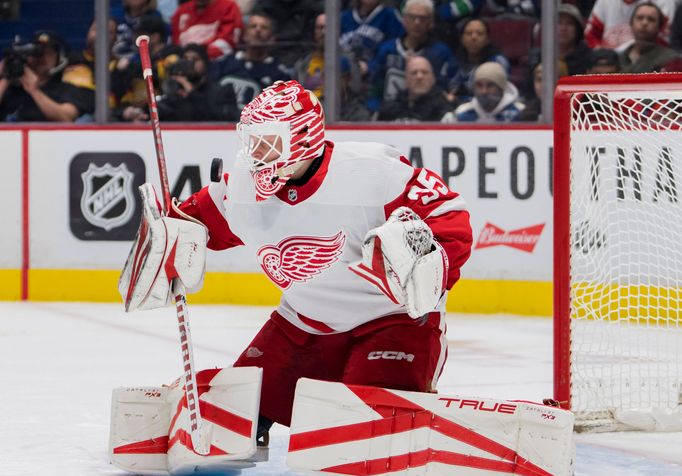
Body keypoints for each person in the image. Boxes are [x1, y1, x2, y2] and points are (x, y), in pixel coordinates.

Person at [121, 79, 472, 445]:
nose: (255, 152)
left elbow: (448, 215)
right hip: (302, 326)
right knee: (230, 411)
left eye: (267, 141)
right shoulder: (242, 186)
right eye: (251, 139)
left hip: (393, 322)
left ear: (302, 137)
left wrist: (435, 261)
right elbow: (194, 221)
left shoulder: (373, 172)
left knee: (363, 423)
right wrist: (168, 236)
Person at [367, 0, 457, 112]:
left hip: (430, 116)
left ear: (431, 22)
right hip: (390, 116)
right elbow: (374, 87)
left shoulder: (442, 53)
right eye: (412, 17)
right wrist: (377, 111)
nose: (417, 22)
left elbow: (449, 88)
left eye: (423, 18)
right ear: (404, 20)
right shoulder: (387, 49)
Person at [0, 31, 94, 122]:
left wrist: (34, 90)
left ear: (59, 58)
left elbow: (66, 117)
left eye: (48, 53)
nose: (40, 58)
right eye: (35, 53)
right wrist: (6, 76)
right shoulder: (12, 89)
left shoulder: (68, 90)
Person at [212, 11, 293, 110]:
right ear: (244, 35)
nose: (258, 30)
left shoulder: (279, 74)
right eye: (253, 26)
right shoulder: (223, 64)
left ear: (272, 39)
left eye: (264, 28)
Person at [447, 17, 510, 104]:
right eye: (468, 33)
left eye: (479, 34)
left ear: (487, 39)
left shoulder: (497, 62)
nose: (474, 37)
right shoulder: (454, 61)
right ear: (462, 39)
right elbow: (447, 88)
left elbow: (498, 95)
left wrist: (458, 100)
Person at [377, 55, 453, 121]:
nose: (419, 76)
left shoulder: (445, 108)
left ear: (433, 78)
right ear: (406, 79)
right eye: (414, 73)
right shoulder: (390, 108)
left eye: (424, 72)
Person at [619, 2, 682, 74]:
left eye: (651, 19)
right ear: (631, 23)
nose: (644, 23)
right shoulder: (618, 58)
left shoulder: (671, 60)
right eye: (640, 18)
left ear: (659, 27)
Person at [584, 0, 677, 50]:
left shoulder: (664, 2)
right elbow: (591, 36)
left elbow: (662, 41)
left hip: (645, 60)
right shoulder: (605, 2)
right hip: (608, 63)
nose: (644, 22)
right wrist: (603, 55)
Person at [454, 60, 524, 122]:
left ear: (501, 88)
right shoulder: (461, 113)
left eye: (490, 85)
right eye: (479, 85)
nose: (484, 91)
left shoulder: (521, 113)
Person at [172, 0, 244, 60]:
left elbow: (227, 43)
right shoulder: (182, 10)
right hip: (184, 61)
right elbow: (176, 43)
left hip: (217, 63)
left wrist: (201, 56)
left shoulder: (229, 7)